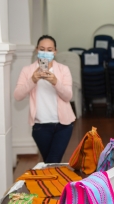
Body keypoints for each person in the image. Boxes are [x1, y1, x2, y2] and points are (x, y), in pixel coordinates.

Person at [14, 35, 75, 163]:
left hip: (63, 126)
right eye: (42, 49)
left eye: (49, 49)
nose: (45, 53)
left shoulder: (63, 70)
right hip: (40, 127)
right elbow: (18, 96)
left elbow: (68, 96)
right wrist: (33, 79)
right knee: (49, 163)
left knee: (53, 161)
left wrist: (55, 82)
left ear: (55, 51)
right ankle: (52, 182)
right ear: (37, 50)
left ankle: (53, 182)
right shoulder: (27, 70)